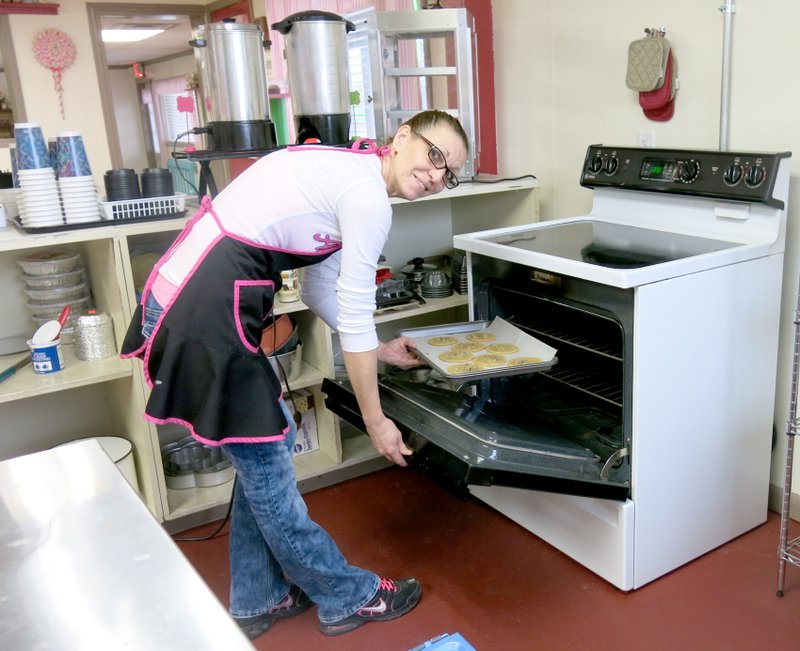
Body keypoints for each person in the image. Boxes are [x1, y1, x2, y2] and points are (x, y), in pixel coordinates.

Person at [121, 109, 469, 639]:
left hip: (197, 299)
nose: (437, 175)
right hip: (202, 309)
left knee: (267, 449)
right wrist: (376, 422)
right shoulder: (366, 195)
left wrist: (378, 351)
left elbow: (319, 292)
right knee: (269, 469)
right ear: (402, 139)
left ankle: (259, 597)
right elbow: (350, 314)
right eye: (435, 156)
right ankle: (346, 596)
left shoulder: (353, 177)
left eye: (450, 173)